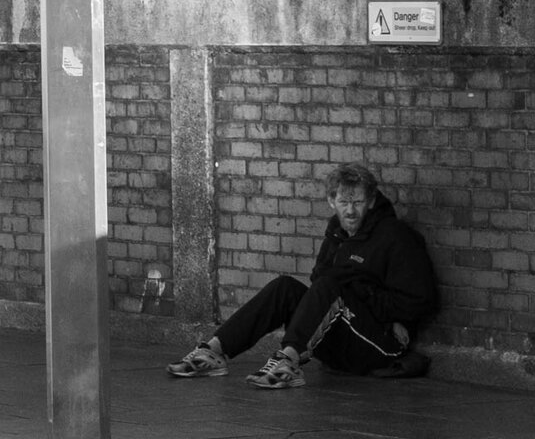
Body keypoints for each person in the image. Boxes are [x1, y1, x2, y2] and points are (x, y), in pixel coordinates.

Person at [167, 161, 439, 388]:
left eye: (358, 202)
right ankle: (213, 351)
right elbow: (321, 280)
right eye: (344, 202)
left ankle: (288, 360)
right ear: (331, 201)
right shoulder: (337, 232)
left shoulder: (395, 237)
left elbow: (420, 300)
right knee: (284, 287)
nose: (351, 210)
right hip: (340, 336)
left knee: (330, 286)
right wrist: (345, 288)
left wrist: (368, 300)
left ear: (370, 201)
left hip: (381, 346)